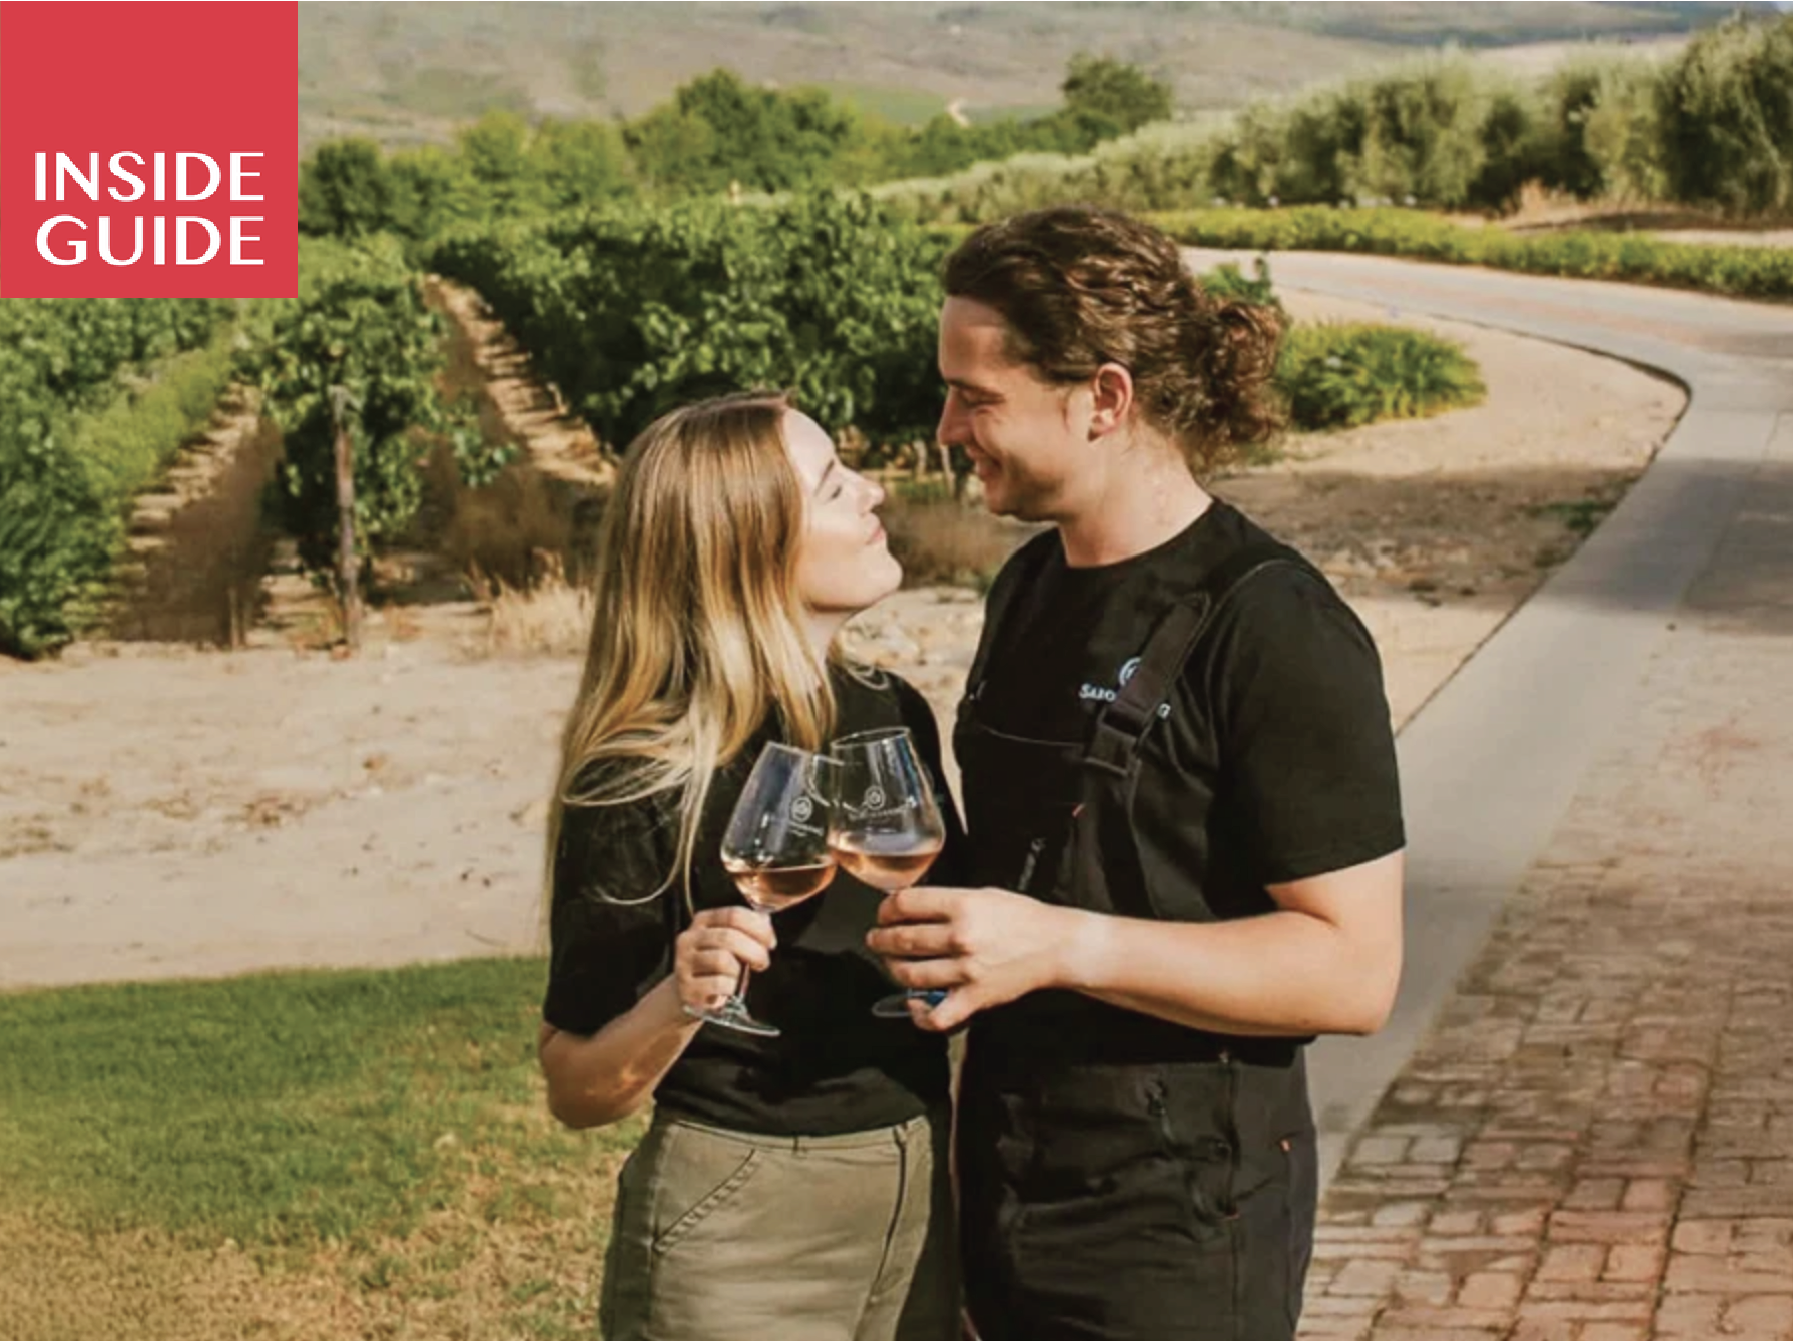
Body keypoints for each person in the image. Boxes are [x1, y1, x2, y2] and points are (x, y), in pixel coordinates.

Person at [866, 206, 1407, 1341]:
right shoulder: (1024, 591)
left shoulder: (1275, 627)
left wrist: (1063, 945)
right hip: (1004, 1186)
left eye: (976, 396)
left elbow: (1351, 973)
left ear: (1103, 398)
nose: (945, 426)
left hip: (1178, 1225)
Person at [537, 391, 965, 1341]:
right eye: (832, 484)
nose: (875, 489)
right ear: (749, 544)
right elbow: (575, 1087)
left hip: (921, 1187)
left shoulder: (889, 709)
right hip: (742, 1222)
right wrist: (680, 997)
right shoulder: (644, 773)